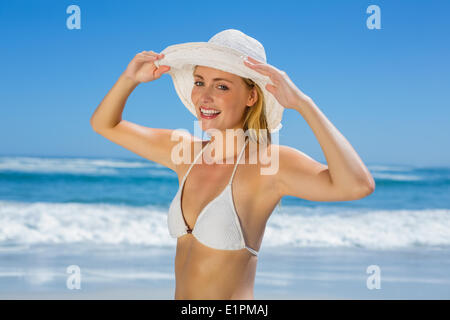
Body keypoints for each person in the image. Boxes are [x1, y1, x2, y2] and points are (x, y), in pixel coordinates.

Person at [90, 29, 375, 300]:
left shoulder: (269, 165)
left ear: (252, 96)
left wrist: (302, 103)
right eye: (199, 82)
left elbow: (357, 185)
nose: (204, 96)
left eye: (222, 86)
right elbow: (105, 124)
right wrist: (130, 78)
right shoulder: (184, 152)